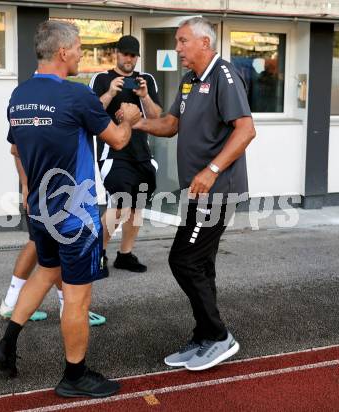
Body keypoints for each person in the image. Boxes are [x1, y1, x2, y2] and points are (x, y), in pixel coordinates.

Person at [0, 20, 141, 398]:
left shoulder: (19, 96)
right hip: (76, 214)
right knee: (77, 297)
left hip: (40, 210)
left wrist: (26, 187)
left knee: (45, 271)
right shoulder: (75, 96)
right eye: (80, 49)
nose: (82, 55)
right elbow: (118, 140)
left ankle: (5, 345)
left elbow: (17, 150)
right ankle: (75, 375)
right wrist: (131, 121)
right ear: (63, 53)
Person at [128, 17, 256, 371]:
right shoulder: (188, 82)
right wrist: (135, 122)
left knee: (183, 260)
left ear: (204, 42)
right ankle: (204, 337)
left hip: (218, 192)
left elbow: (246, 130)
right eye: (177, 41)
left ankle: (218, 336)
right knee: (201, 264)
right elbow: (171, 125)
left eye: (183, 41)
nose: (178, 48)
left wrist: (211, 170)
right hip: (197, 193)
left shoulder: (223, 76)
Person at [89, 35, 162, 273]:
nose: (128, 59)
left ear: (137, 57)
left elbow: (156, 117)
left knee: (137, 206)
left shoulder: (146, 80)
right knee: (120, 205)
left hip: (142, 154)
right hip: (114, 153)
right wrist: (110, 92)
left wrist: (145, 97)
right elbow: (90, 114)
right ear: (117, 54)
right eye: (125, 54)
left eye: (133, 55)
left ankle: (125, 254)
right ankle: (96, 253)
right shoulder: (101, 78)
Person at [0, 219, 107, 326]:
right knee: (54, 249)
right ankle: (68, 308)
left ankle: (11, 302)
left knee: (38, 242)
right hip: (63, 207)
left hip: (40, 205)